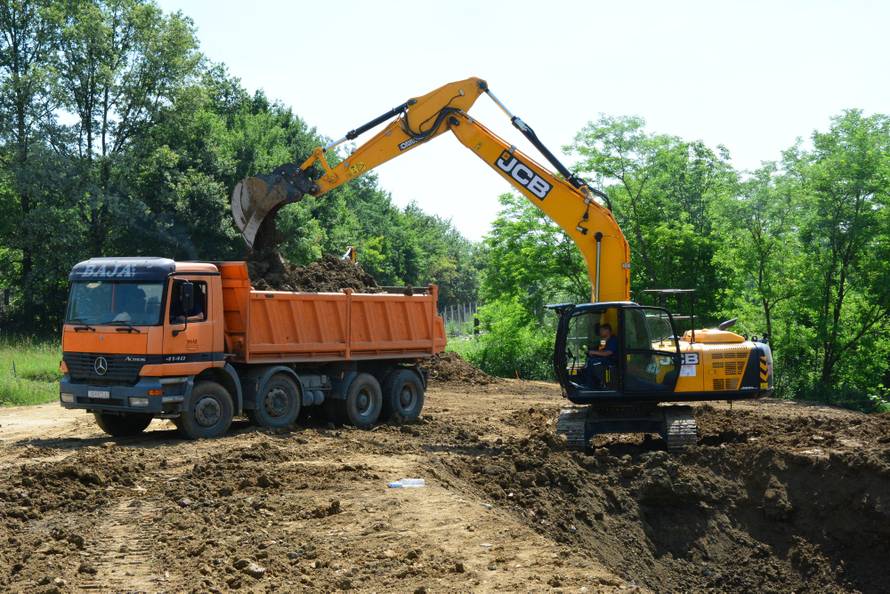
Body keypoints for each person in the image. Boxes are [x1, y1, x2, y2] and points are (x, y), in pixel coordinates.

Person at [583, 323, 619, 388]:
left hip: (611, 361)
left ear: (607, 330)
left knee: (592, 363)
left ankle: (590, 385)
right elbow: (601, 350)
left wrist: (593, 352)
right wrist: (592, 351)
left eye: (602, 330)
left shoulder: (613, 340)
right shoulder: (604, 340)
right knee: (590, 360)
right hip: (604, 360)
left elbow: (607, 353)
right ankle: (592, 383)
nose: (600, 332)